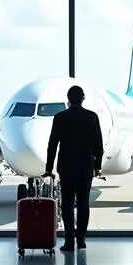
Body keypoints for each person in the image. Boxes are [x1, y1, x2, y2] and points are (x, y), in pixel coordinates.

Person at [44, 85, 104, 252]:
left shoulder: (60, 118)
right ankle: (82, 239)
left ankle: (69, 241)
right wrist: (98, 166)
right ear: (83, 98)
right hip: (85, 168)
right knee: (84, 204)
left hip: (67, 169)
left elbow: (52, 145)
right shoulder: (92, 117)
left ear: (68, 100)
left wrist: (49, 168)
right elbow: (98, 145)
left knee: (67, 204)